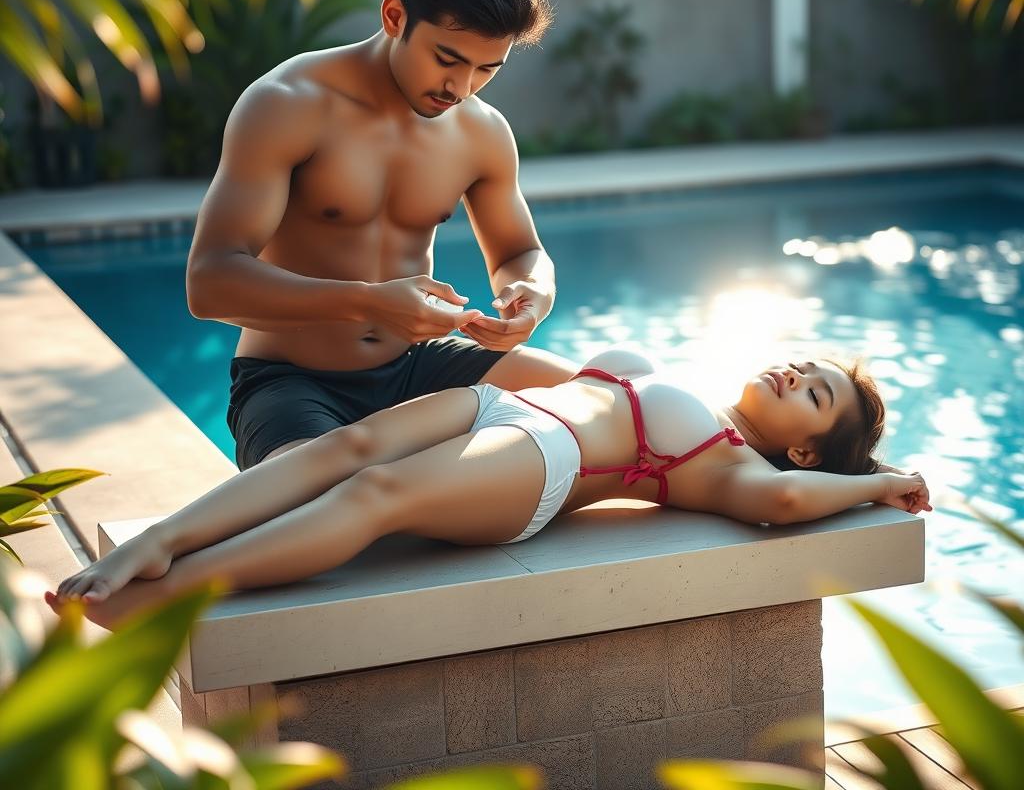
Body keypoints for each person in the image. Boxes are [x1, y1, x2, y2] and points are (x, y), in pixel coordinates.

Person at [48, 347, 931, 629]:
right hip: (503, 406)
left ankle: (173, 593)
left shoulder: (733, 465)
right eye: (806, 364)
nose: (795, 373)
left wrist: (876, 485)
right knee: (342, 448)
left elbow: (784, 508)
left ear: (810, 452)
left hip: (541, 459)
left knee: (375, 496)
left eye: (815, 394)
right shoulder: (700, 395)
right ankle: (161, 536)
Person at [186, 0, 576, 472]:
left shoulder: (482, 131)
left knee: (615, 400)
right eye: (447, 59)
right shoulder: (287, 104)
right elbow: (210, 284)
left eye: (487, 69)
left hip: (420, 366)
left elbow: (520, 253)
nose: (460, 89)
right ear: (394, 16)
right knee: (317, 501)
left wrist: (531, 294)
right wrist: (370, 301)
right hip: (293, 382)